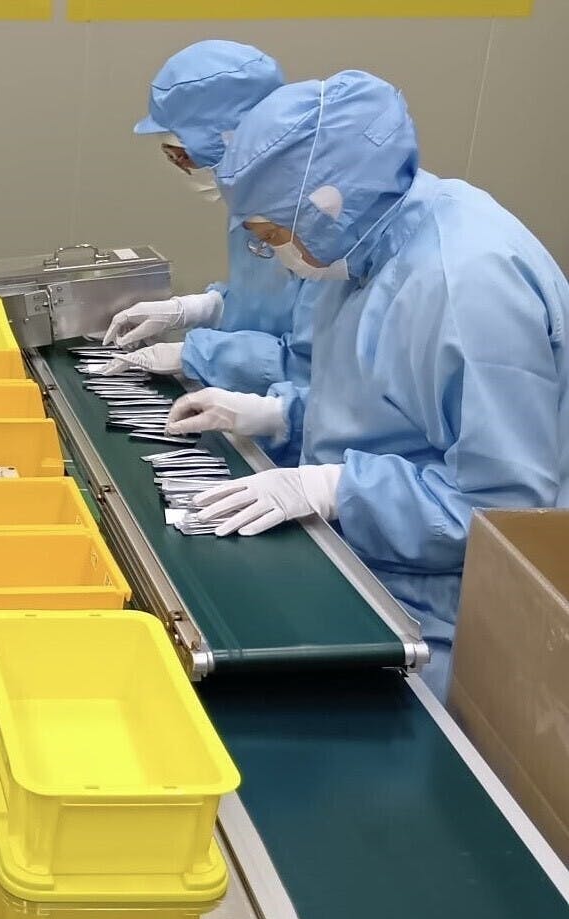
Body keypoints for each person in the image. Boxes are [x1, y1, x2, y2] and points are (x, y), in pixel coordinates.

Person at [165, 71, 569, 696]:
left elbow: (506, 515)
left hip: (447, 623)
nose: (276, 253)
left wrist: (334, 488)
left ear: (327, 202)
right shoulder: (367, 243)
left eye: (274, 236)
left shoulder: (465, 287)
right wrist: (278, 414)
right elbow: (387, 409)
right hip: (374, 576)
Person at [102, 40, 313, 398]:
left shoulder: (314, 213)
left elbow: (315, 362)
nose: (183, 169)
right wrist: (203, 307)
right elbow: (266, 303)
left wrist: (198, 354)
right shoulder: (252, 195)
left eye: (182, 156)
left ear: (230, 140)